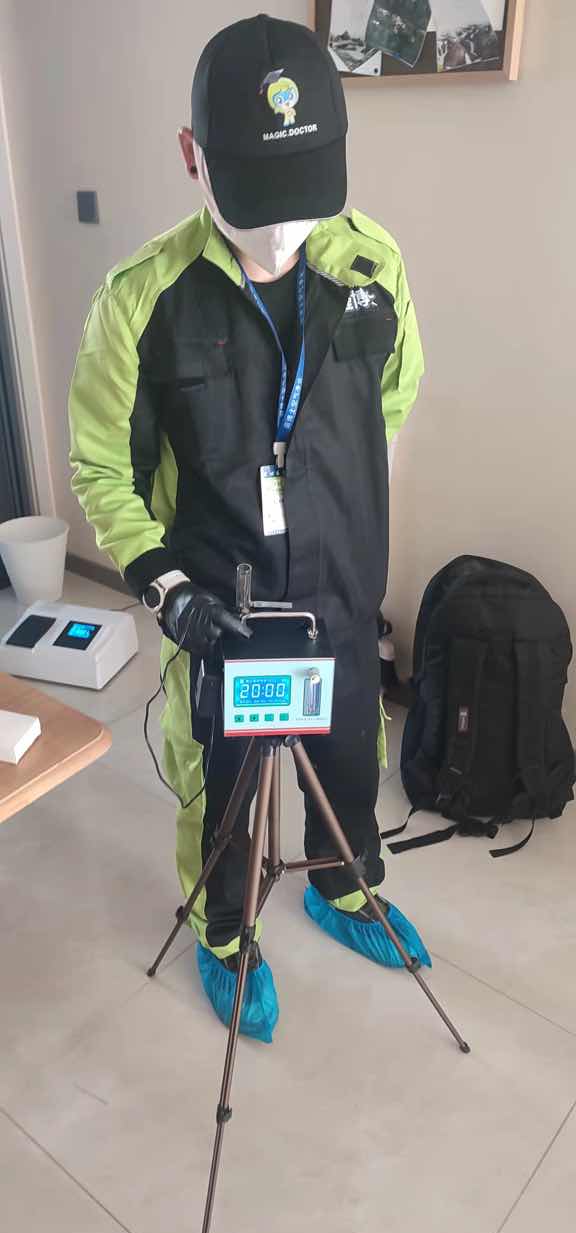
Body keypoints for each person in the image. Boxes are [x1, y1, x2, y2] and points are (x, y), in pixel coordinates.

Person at [69, 15, 427, 1044]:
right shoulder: (143, 301)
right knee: (222, 785)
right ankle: (224, 931)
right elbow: (102, 466)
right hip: (219, 605)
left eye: (302, 197)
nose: (281, 235)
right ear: (193, 156)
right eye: (257, 201)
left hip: (342, 589)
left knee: (350, 752)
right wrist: (164, 584)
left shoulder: (370, 266)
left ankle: (344, 887)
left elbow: (392, 400)